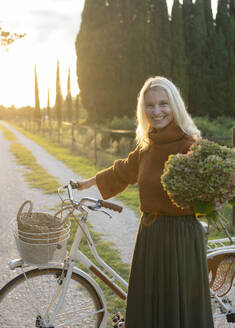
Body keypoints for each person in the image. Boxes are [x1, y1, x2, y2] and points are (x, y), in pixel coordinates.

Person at [76, 76, 214, 327]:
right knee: (149, 308)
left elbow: (205, 195)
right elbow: (124, 171)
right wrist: (89, 182)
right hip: (151, 235)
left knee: (177, 309)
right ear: (143, 109)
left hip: (181, 238)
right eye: (150, 105)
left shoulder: (190, 145)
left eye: (163, 104)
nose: (157, 111)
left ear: (175, 106)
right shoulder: (148, 146)